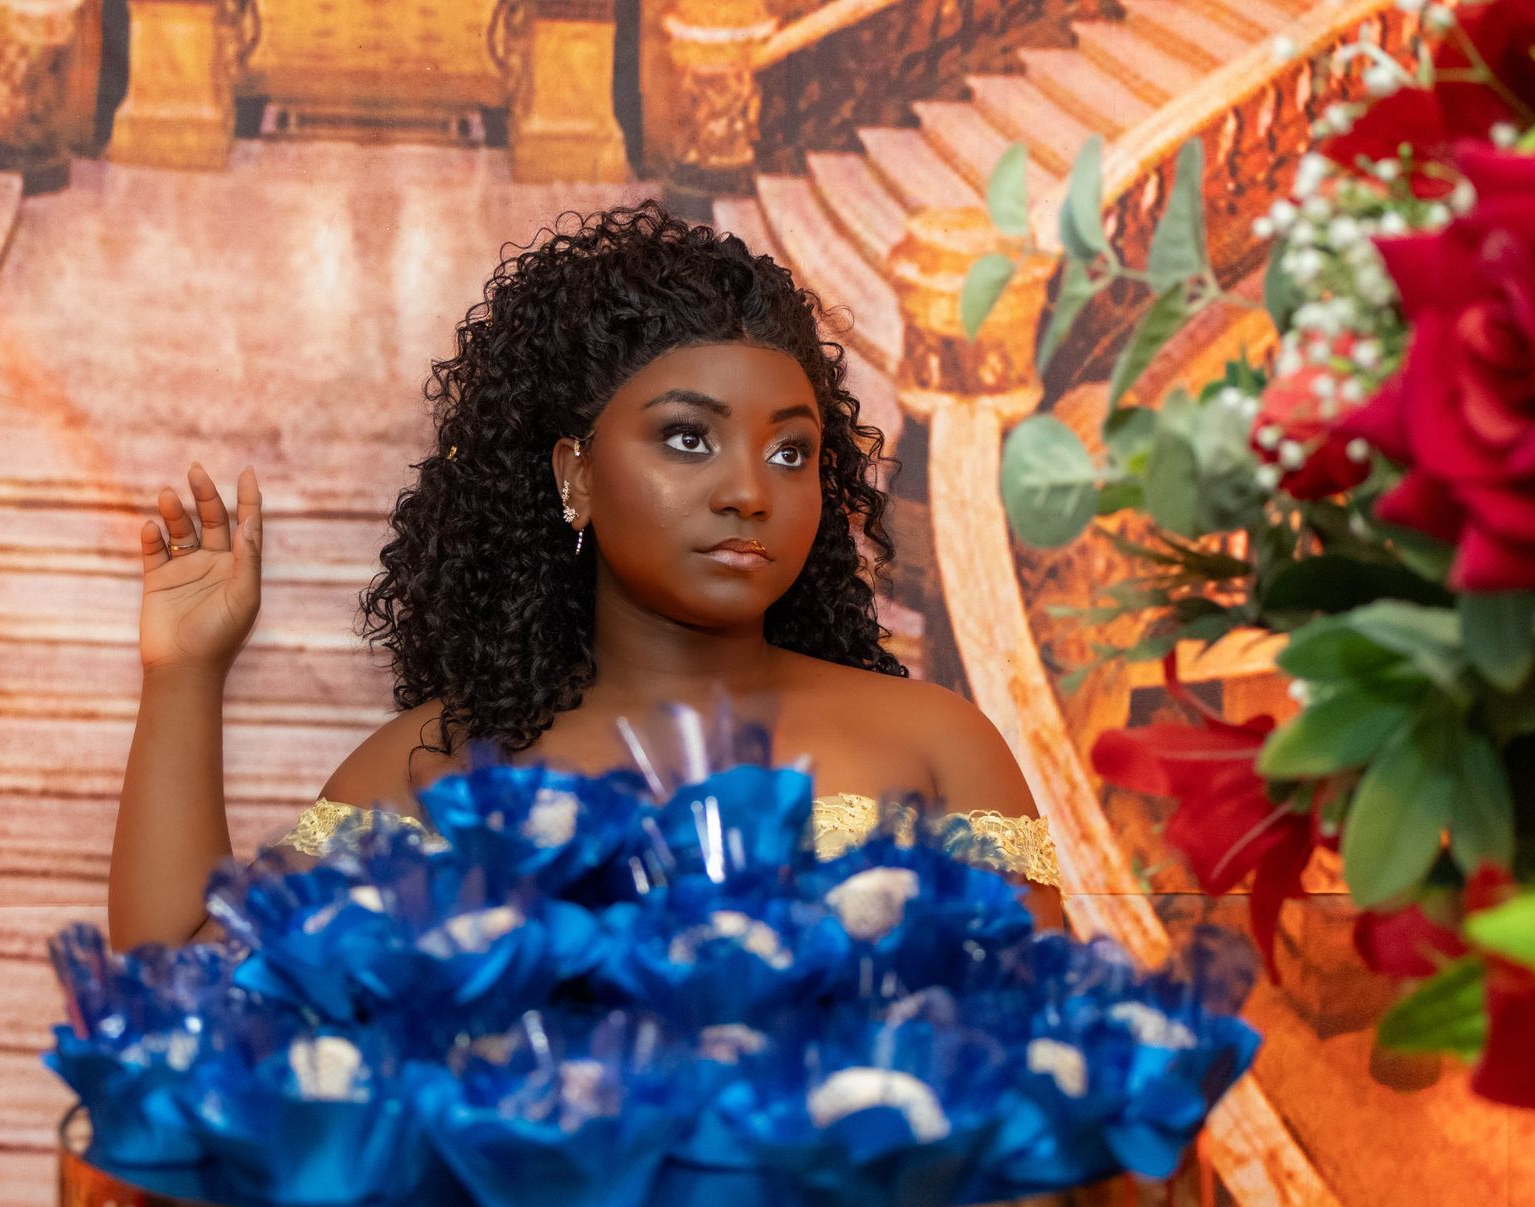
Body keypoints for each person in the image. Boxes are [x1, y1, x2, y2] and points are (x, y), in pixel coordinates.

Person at [107, 202, 1061, 951]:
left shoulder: (939, 745)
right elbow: (183, 982)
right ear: (574, 476)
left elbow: (1052, 1070)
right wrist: (185, 674)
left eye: (790, 452)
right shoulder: (434, 768)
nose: (748, 491)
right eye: (688, 439)